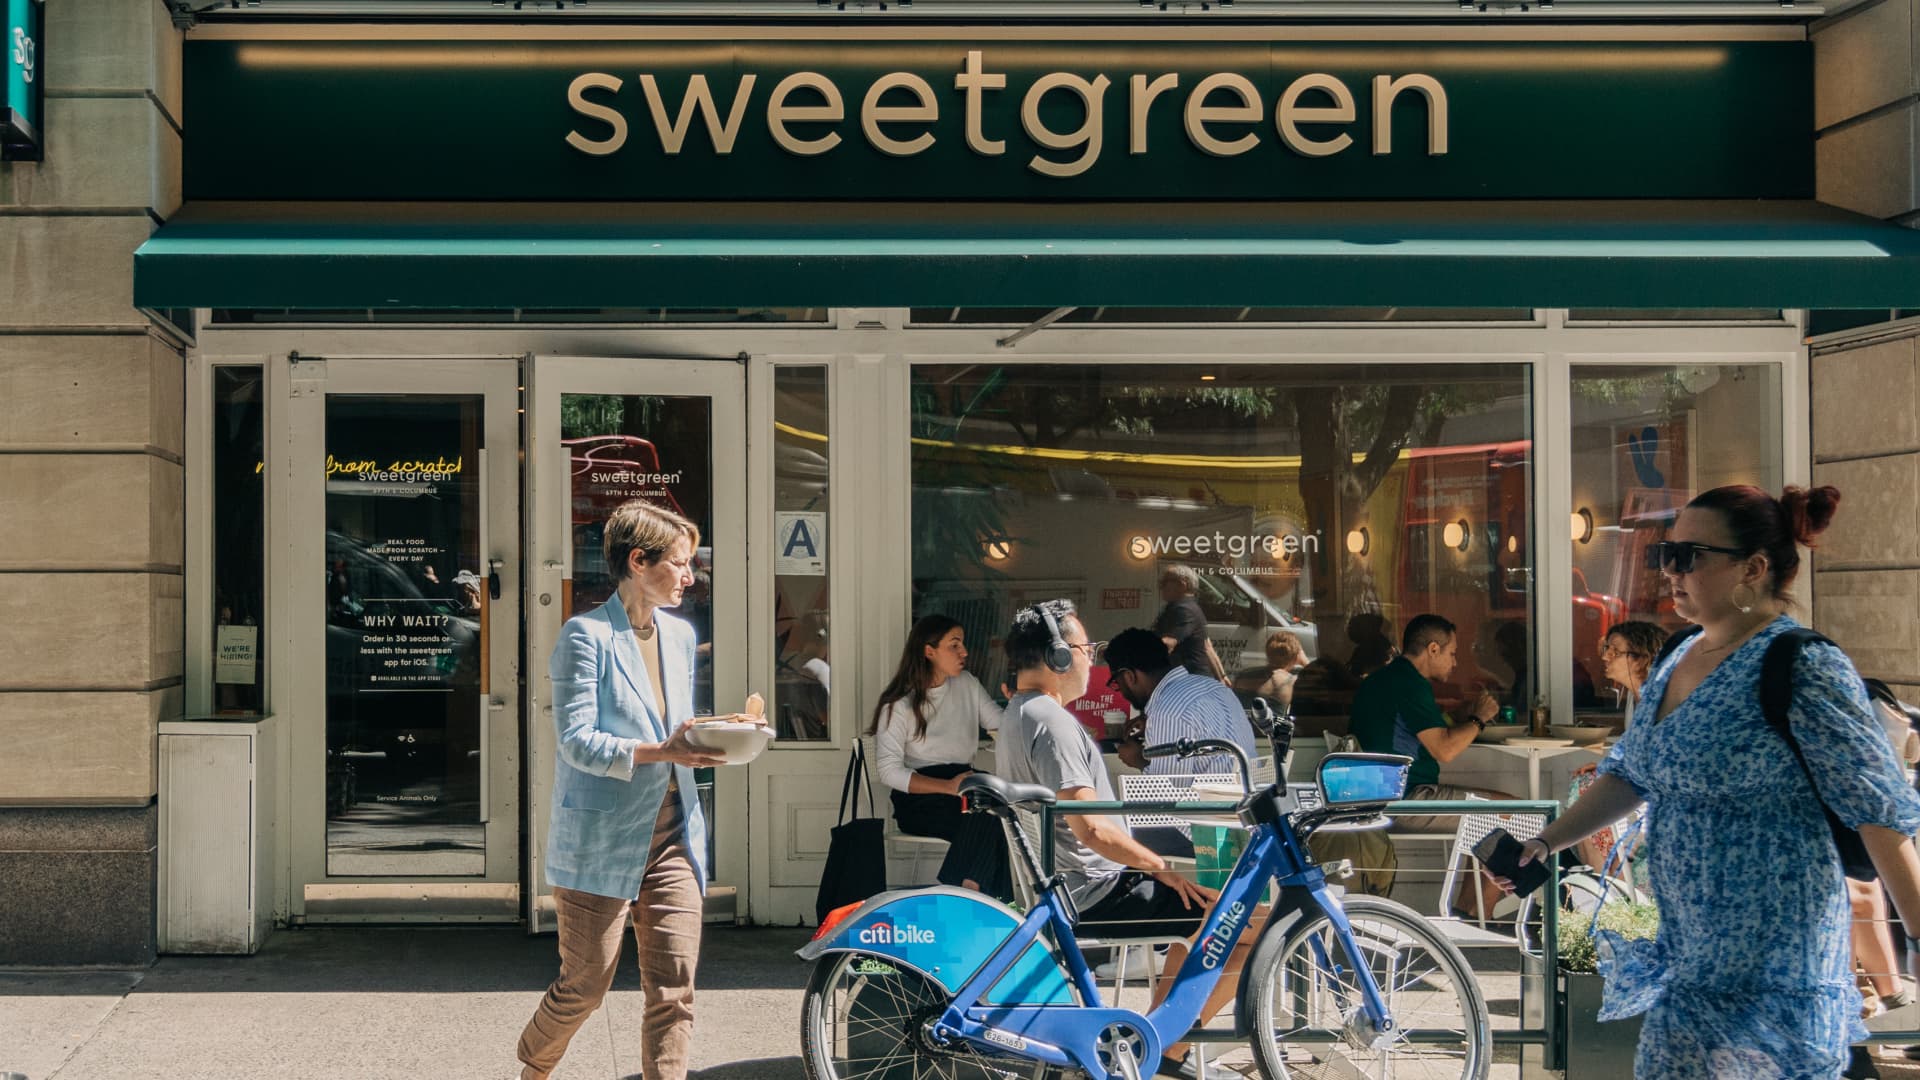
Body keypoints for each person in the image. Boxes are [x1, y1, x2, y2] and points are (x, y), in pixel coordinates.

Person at [1500, 484, 1920, 1079]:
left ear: (1753, 568)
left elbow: (1879, 812)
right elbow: (1632, 773)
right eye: (1664, 554)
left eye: (1688, 556)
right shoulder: (1677, 655)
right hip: (1688, 968)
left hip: (1777, 981)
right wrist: (1545, 843)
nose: (1670, 570)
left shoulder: (1802, 664)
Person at [516, 500, 753, 1080]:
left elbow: (669, 725)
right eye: (680, 562)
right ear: (639, 561)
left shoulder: (680, 635)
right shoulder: (585, 636)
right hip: (600, 839)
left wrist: (716, 736)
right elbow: (576, 742)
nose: (690, 576)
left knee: (674, 990)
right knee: (585, 985)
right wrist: (665, 751)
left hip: (674, 836)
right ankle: (534, 1068)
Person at [996, 599, 1260, 1080]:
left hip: (1075, 886)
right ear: (1058, 656)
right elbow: (1092, 829)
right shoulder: (1054, 724)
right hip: (1096, 892)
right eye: (1086, 649)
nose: (1092, 662)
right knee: (1252, 928)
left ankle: (1154, 1042)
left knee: (1204, 918)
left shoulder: (1019, 713)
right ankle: (1164, 1045)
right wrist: (1162, 868)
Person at [1348, 613, 1511, 916]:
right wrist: (1479, 719)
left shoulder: (1386, 678)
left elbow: (1418, 731)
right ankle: (1475, 916)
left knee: (1494, 815)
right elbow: (1445, 749)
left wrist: (1461, 719)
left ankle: (1471, 912)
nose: (1455, 662)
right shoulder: (1408, 683)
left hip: (1375, 794)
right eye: (1452, 653)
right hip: (1403, 798)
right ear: (1433, 649)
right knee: (1514, 812)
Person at [868, 614, 1011, 898]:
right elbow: (888, 771)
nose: (964, 652)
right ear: (929, 651)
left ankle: (965, 891)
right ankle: (978, 896)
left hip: (964, 788)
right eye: (954, 645)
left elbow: (1001, 724)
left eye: (963, 644)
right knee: (992, 814)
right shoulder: (899, 704)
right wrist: (948, 787)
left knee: (993, 809)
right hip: (921, 799)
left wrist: (1021, 705)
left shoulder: (967, 684)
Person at [1108, 628, 1260, 860]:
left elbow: (1166, 796)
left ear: (1130, 676)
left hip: (1205, 832)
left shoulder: (1167, 711)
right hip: (1245, 819)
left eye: (1118, 685)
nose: (1122, 693)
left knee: (1110, 831)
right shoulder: (1214, 687)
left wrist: (1138, 760)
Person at [1153, 564, 1223, 680]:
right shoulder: (1187, 607)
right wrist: (1221, 677)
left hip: (1187, 681)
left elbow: (1167, 643)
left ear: (1182, 585)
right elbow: (1207, 646)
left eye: (1165, 582)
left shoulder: (1184, 610)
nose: (1161, 586)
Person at [1599, 620, 1666, 727]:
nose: (1605, 657)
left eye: (1615, 652)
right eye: (1606, 649)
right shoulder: (1633, 696)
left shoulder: (1663, 702)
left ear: (1642, 659)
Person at [1233, 630, 1305, 715]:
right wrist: (1304, 661)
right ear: (1296, 656)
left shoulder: (1244, 675)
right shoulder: (1291, 682)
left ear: (1268, 653)